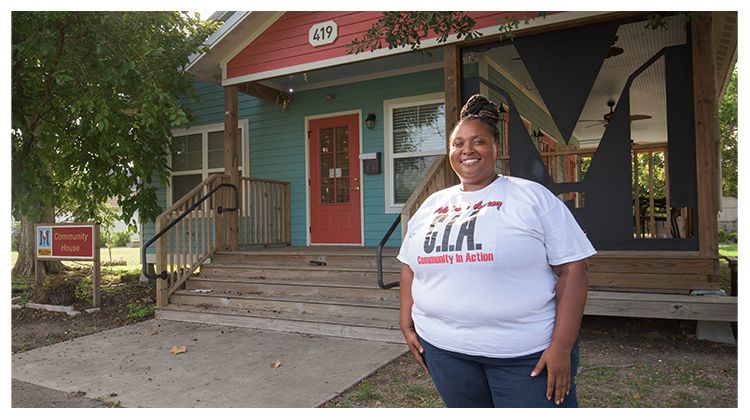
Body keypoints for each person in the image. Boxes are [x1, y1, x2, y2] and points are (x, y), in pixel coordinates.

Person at [397, 94, 596, 408]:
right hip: (444, 351)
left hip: (525, 357)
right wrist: (406, 323)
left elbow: (574, 269)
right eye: (458, 143)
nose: (467, 150)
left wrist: (561, 345)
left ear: (497, 149)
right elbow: (409, 266)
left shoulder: (532, 198)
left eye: (479, 141)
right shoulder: (432, 204)